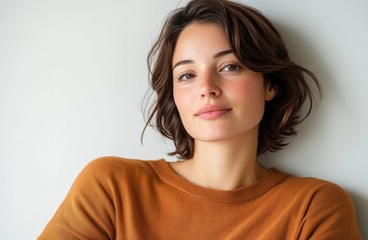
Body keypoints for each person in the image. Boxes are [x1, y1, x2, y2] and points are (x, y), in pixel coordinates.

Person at [38, 0, 361, 239]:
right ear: (173, 95)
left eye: (229, 67)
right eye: (188, 75)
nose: (207, 88)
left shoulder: (314, 208)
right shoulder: (112, 187)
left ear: (270, 85)